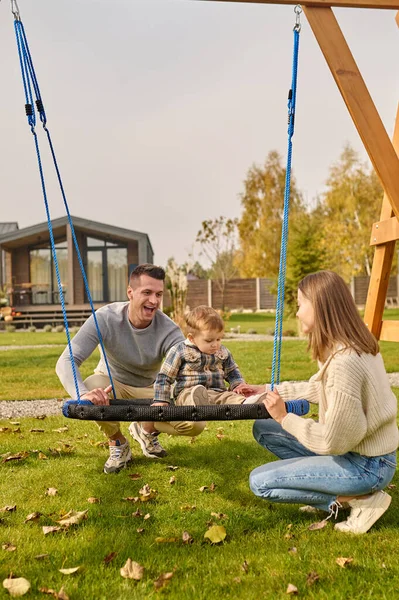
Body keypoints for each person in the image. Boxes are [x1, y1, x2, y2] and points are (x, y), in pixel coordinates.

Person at [236, 271, 398, 534]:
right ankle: (335, 488)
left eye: (301, 305)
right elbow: (318, 387)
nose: (297, 313)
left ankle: (358, 500)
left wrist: (284, 418)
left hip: (366, 466)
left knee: (260, 482)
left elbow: (332, 442)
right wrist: (269, 389)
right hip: (366, 455)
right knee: (263, 428)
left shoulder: (346, 362)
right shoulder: (346, 346)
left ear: (320, 306)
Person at [56, 264, 206, 474]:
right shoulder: (105, 318)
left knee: (196, 424)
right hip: (112, 383)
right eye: (147, 292)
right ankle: (117, 443)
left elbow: (186, 371)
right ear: (130, 293)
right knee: (92, 387)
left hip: (152, 389)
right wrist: (82, 394)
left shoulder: (168, 330)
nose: (154, 301)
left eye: (158, 294)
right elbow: (67, 360)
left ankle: (145, 429)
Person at [153, 305, 264, 407]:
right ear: (191, 338)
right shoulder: (180, 351)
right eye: (209, 340)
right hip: (187, 393)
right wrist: (161, 400)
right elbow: (165, 377)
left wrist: (239, 385)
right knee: (189, 396)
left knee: (227, 397)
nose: (215, 344)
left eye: (219, 339)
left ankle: (246, 402)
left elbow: (232, 371)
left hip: (217, 392)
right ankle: (196, 401)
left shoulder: (222, 351)